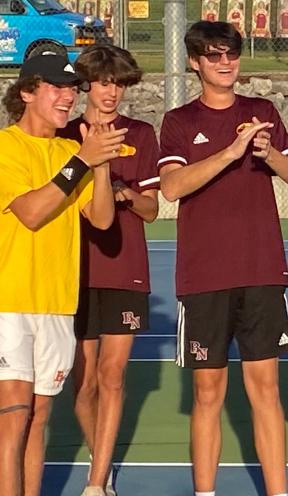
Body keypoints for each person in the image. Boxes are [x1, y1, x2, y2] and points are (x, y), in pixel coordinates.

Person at [158, 21, 288, 496]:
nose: (225, 63)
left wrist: (268, 153)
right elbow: (172, 186)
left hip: (262, 270)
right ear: (195, 62)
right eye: (214, 55)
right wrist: (231, 152)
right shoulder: (179, 121)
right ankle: (206, 492)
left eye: (232, 54)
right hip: (204, 277)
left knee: (266, 391)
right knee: (208, 395)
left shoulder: (262, 111)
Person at [0, 52, 124, 496]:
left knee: (38, 419)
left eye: (73, 88)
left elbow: (103, 219)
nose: (69, 96)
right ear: (28, 93)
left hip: (56, 302)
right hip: (9, 302)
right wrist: (82, 163)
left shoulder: (71, 150)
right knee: (12, 418)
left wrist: (101, 162)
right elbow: (31, 213)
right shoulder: (6, 147)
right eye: (57, 87)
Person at [58, 45, 160, 496]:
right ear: (85, 86)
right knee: (84, 384)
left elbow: (153, 209)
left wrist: (125, 195)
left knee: (113, 376)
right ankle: (102, 456)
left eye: (117, 83)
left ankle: (98, 481)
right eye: (102, 82)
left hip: (124, 268)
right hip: (72, 270)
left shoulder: (141, 132)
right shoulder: (62, 133)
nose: (110, 92)